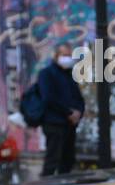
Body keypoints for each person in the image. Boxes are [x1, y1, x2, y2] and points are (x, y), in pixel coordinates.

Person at [37, 43, 86, 176]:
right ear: (56, 56)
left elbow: (78, 98)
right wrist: (69, 112)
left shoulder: (69, 75)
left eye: (70, 55)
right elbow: (49, 98)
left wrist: (78, 113)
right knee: (53, 159)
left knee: (68, 160)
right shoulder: (46, 74)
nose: (68, 58)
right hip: (54, 123)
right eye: (64, 55)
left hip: (69, 125)